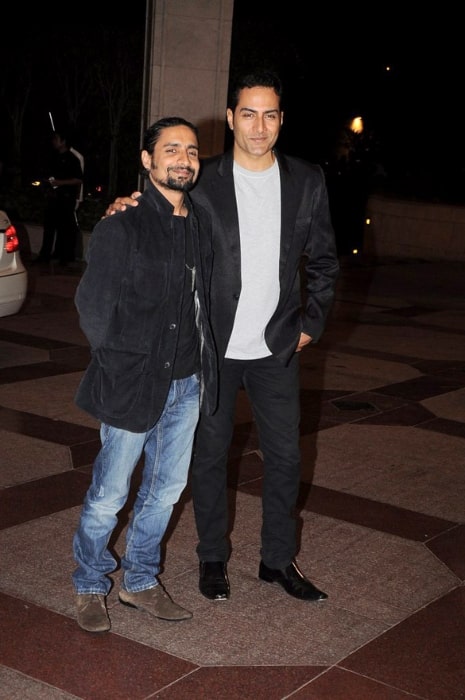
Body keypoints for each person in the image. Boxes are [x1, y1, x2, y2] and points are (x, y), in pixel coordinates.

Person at [107, 70, 340, 604]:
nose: (259, 126)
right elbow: (157, 213)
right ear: (231, 118)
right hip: (211, 346)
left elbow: (325, 260)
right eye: (249, 113)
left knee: (285, 459)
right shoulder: (202, 176)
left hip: (277, 347)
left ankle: (278, 560)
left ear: (281, 120)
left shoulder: (308, 179)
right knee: (209, 457)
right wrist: (125, 206)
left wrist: (311, 323)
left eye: (271, 114)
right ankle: (213, 558)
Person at [72, 117, 218, 633]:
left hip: (186, 384)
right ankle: (91, 585)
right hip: (133, 381)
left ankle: (139, 581)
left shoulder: (198, 221)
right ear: (147, 159)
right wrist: (122, 363)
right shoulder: (123, 224)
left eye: (192, 151)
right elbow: (92, 308)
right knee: (111, 493)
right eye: (171, 149)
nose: (183, 159)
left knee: (165, 491)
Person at [36, 130, 83, 266]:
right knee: (49, 228)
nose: (54, 142)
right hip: (53, 198)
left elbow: (78, 180)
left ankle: (64, 258)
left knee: (64, 229)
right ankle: (44, 256)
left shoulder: (73, 159)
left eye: (56, 139)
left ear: (63, 142)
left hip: (66, 199)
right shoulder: (53, 157)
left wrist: (60, 183)